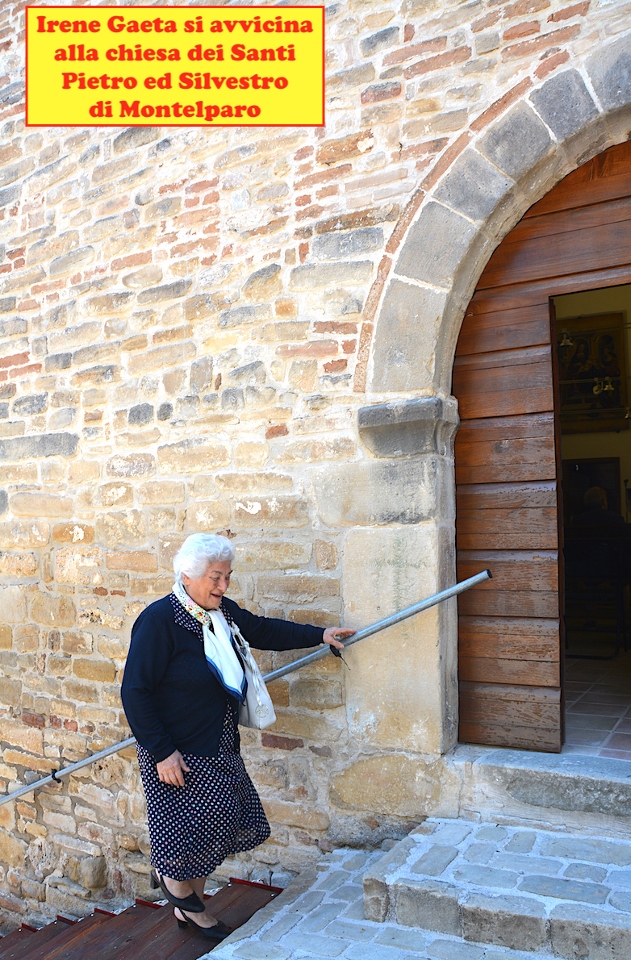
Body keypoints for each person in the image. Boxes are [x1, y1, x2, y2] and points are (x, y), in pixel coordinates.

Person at [121, 533, 354, 941]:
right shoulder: (160, 620)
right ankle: (181, 894)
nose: (223, 585)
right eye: (215, 577)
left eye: (227, 576)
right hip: (175, 752)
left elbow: (263, 630)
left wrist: (319, 634)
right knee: (188, 833)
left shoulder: (221, 613)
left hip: (217, 742)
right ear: (187, 576)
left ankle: (185, 901)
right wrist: (162, 752)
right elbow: (134, 692)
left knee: (216, 826)